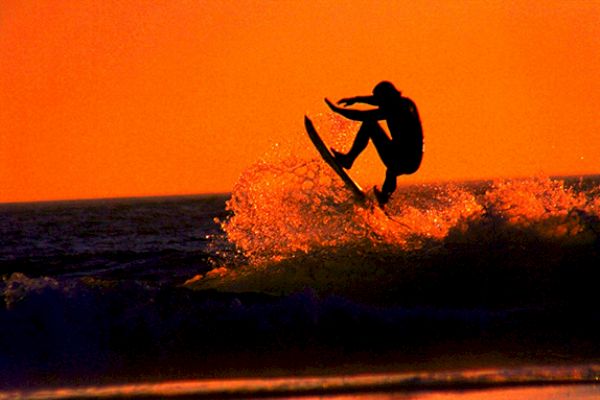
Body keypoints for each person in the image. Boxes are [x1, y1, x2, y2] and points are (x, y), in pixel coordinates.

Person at [325, 81, 423, 206]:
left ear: (387, 97)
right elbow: (376, 101)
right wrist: (356, 99)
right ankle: (384, 197)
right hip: (412, 160)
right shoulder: (405, 103)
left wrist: (337, 110)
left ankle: (349, 159)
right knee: (392, 170)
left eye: (380, 99)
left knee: (369, 124)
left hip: (404, 158)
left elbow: (363, 115)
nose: (378, 103)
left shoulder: (396, 109)